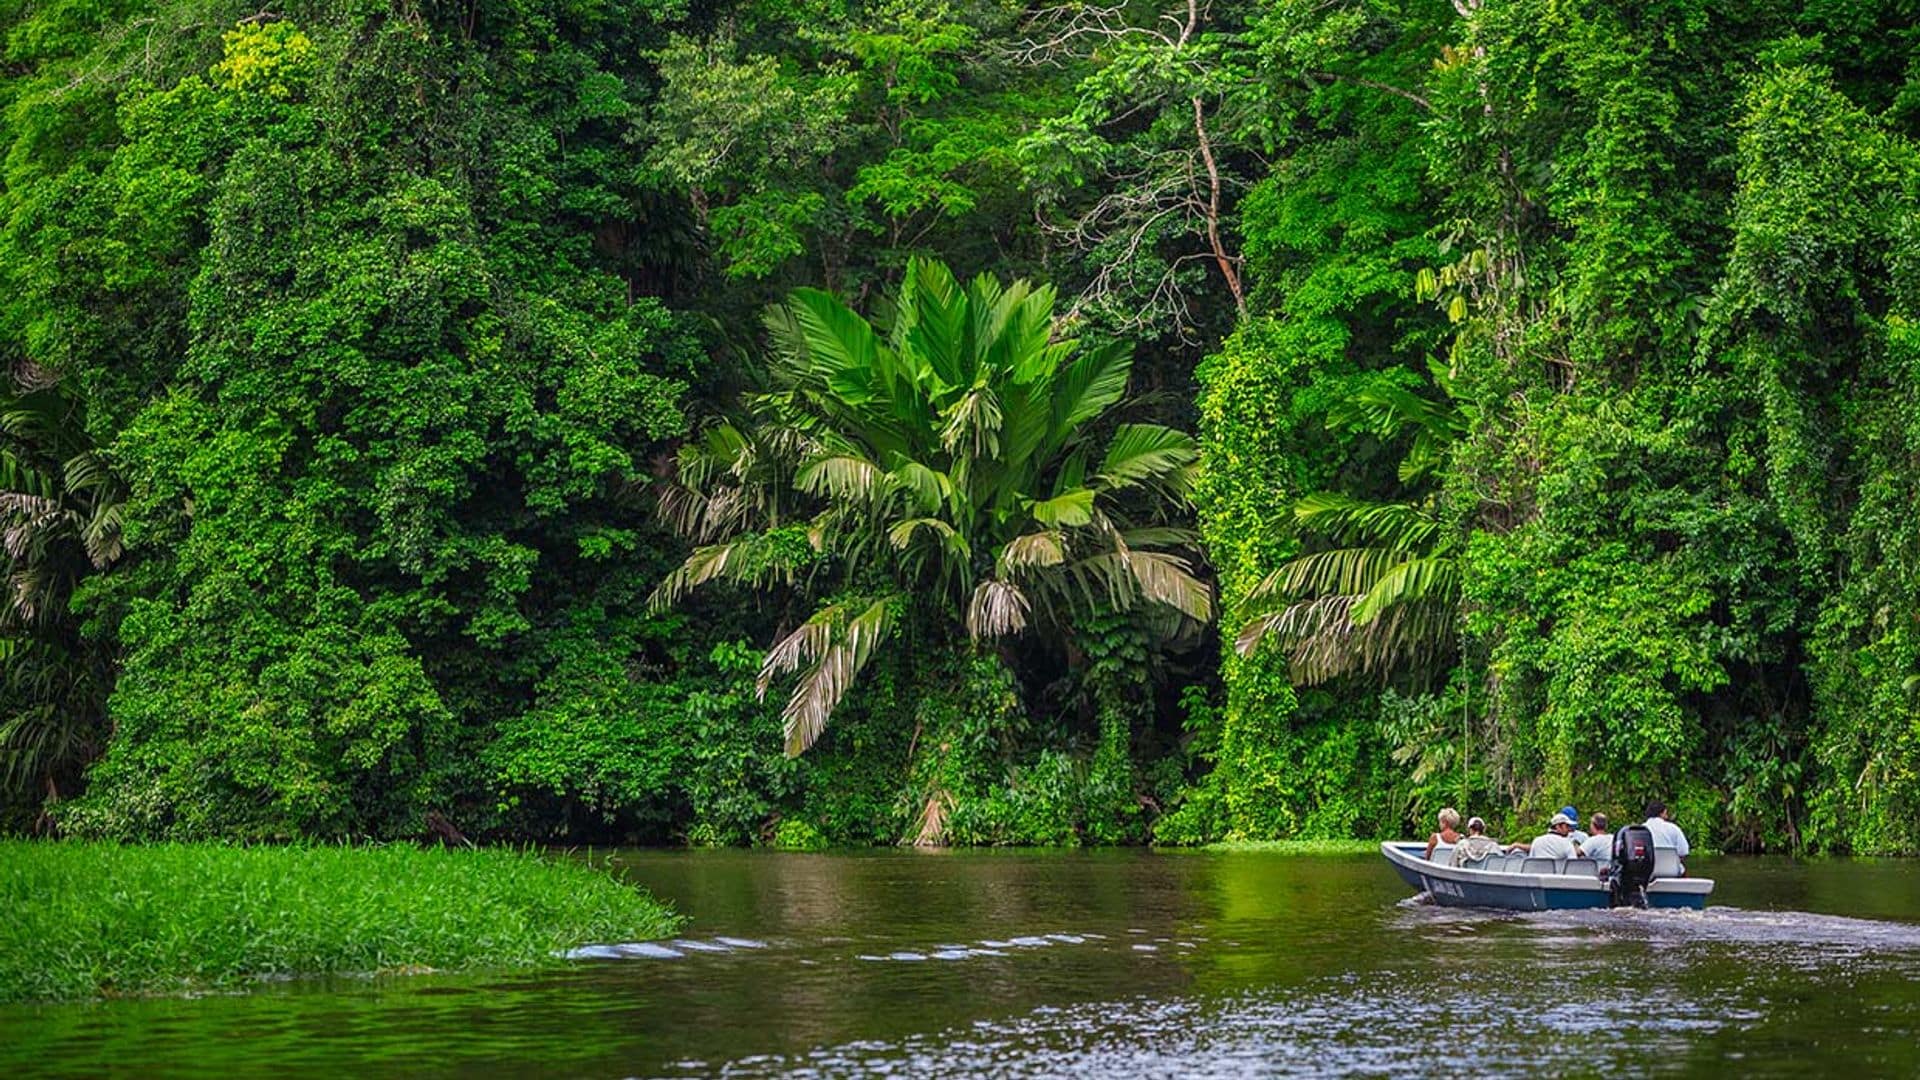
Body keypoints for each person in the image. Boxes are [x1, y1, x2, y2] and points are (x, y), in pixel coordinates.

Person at [1507, 812, 1580, 860]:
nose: (1569, 829)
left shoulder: (1537, 841)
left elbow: (1531, 862)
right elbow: (1572, 865)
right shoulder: (1567, 844)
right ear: (1558, 826)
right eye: (1567, 826)